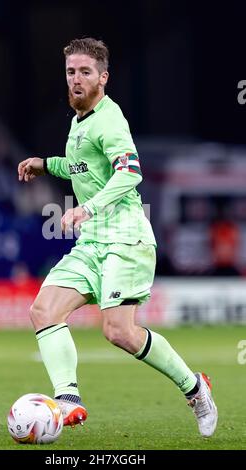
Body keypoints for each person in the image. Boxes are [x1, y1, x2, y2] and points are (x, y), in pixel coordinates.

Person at [18, 37, 217, 437]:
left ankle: (195, 388)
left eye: (85, 72)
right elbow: (81, 166)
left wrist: (88, 207)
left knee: (119, 332)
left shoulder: (109, 120)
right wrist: (46, 164)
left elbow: (130, 172)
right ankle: (68, 400)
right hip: (92, 242)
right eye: (71, 72)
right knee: (44, 310)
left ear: (102, 78)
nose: (76, 79)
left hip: (125, 238)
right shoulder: (80, 121)